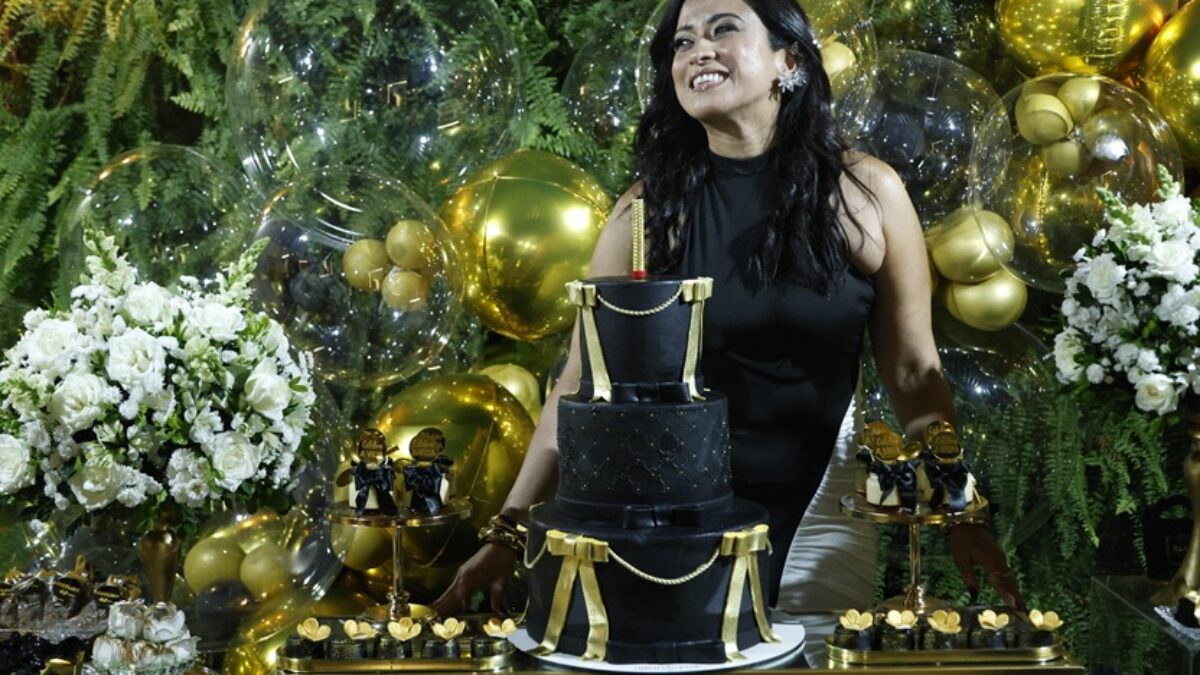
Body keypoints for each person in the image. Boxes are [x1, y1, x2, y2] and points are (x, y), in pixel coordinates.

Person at [432, 0, 1023, 615]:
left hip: (819, 516)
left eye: (723, 30)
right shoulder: (644, 216)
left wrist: (961, 511)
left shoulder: (867, 194)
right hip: (664, 525)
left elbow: (913, 373)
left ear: (788, 60)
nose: (699, 51)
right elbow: (580, 386)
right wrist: (508, 531)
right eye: (683, 43)